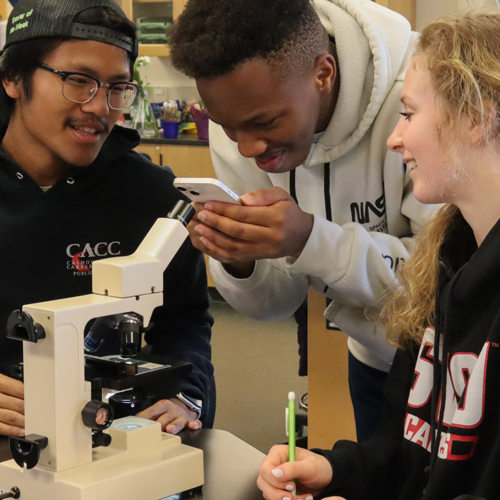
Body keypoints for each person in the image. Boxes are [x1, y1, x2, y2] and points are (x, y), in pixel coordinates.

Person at [257, 9, 500, 500]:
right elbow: (405, 445)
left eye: (409, 114)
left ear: (475, 119)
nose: (394, 139)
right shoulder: (444, 263)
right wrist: (335, 470)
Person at [169, 0, 437, 441]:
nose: (247, 149)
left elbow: (441, 282)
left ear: (323, 72)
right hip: (373, 357)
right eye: (228, 128)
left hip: (458, 363)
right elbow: (274, 303)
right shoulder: (239, 114)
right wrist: (241, 261)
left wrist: (309, 239)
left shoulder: (416, 95)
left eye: (264, 123)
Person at [0, 0, 214, 438]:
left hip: (113, 433)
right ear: (12, 79)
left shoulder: (154, 196)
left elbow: (184, 321)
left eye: (117, 87)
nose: (100, 108)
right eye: (79, 82)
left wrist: (183, 394)